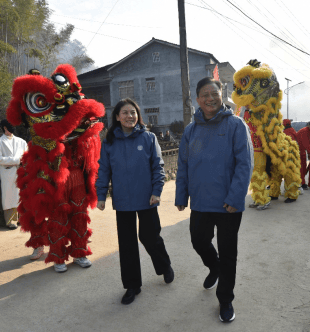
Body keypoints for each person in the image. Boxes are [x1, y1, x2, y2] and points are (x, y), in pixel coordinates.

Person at [175, 77, 253, 323]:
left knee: (228, 252)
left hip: (228, 204)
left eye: (214, 94)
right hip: (200, 202)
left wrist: (236, 197)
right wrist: (181, 195)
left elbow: (244, 165)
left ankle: (225, 299)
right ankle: (214, 266)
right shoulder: (191, 130)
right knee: (199, 241)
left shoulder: (236, 125)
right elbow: (183, 165)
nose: (210, 98)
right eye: (204, 95)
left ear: (222, 96)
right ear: (198, 100)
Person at [96, 98, 173, 305]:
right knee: (127, 244)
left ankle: (164, 266)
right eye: (125, 113)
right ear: (117, 117)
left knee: (150, 237)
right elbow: (104, 169)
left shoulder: (148, 138)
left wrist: (157, 191)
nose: (130, 116)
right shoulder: (109, 142)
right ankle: (132, 285)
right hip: (122, 201)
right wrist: (101, 195)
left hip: (147, 198)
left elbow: (158, 166)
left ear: (138, 115)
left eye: (133, 112)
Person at [0, 120, 28, 230]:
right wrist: (17, 160)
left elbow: (26, 155)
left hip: (21, 171)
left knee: (22, 195)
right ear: (4, 128)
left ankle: (23, 219)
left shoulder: (21, 142)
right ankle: (11, 221)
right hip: (8, 172)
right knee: (10, 197)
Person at [296, 119, 310, 189]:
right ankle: (302, 184)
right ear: (309, 125)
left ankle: (301, 182)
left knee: (303, 167)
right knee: (300, 168)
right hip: (295, 151)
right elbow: (305, 144)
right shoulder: (304, 131)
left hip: (302, 151)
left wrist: (309, 154)